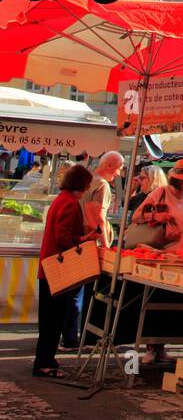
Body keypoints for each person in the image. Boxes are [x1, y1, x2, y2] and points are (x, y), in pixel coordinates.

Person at [33, 165, 95, 377]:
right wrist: (82, 239)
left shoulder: (62, 199)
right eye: (87, 185)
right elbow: (63, 237)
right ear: (81, 184)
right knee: (53, 319)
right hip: (57, 269)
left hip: (48, 267)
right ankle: (44, 363)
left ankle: (45, 359)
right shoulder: (69, 203)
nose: (87, 189)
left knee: (49, 318)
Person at [133, 159, 183, 254]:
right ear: (175, 179)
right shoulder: (160, 192)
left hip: (180, 255)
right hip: (157, 254)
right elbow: (135, 217)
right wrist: (155, 216)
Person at [81, 151, 125, 247]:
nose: (118, 174)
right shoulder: (102, 184)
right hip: (89, 242)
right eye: (119, 169)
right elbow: (99, 218)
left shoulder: (87, 179)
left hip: (78, 237)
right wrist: (105, 246)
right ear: (109, 166)